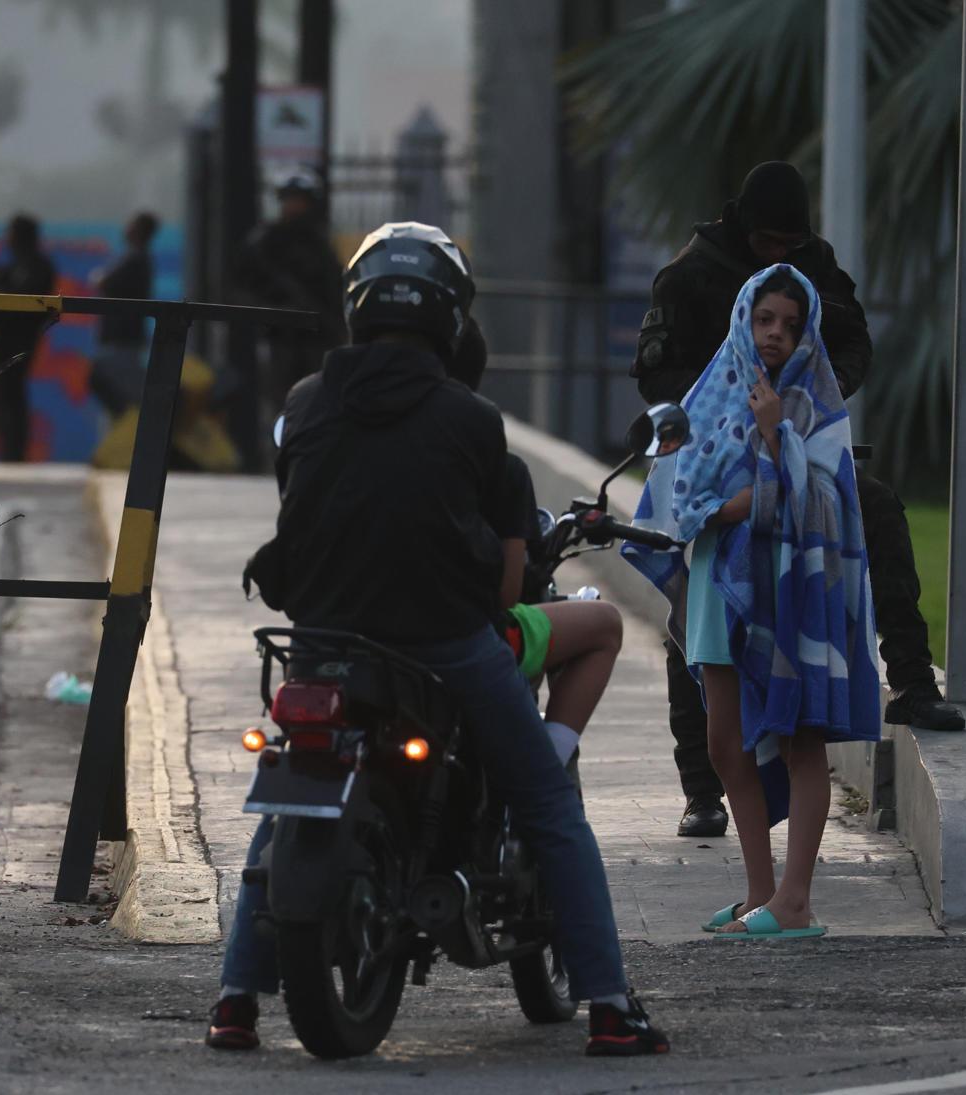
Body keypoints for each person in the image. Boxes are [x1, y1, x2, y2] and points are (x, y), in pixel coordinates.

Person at [211, 222, 668, 1057]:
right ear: (451, 319)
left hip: (319, 643)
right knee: (548, 802)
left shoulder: (304, 402)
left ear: (354, 307)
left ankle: (235, 997)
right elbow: (501, 587)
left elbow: (300, 514)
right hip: (443, 647)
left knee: (285, 804)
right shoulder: (471, 420)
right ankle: (607, 1003)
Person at [633, 160, 964, 841]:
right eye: (769, 246)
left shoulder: (811, 262)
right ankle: (702, 790)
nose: (781, 257)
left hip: (800, 449)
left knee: (876, 513)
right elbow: (657, 373)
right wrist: (728, 399)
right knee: (696, 621)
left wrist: (816, 394)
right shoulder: (689, 275)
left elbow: (852, 338)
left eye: (790, 244)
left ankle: (909, 678)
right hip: (715, 459)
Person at [623, 265, 882, 938]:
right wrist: (713, 508)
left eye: (789, 325)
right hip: (716, 581)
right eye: (765, 319)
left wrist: (771, 438)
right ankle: (759, 893)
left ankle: (795, 901)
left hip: (789, 586)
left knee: (798, 737)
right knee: (724, 740)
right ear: (744, 318)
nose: (774, 334)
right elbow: (676, 492)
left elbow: (825, 499)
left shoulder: (813, 400)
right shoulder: (712, 388)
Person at [448, 317, 625, 765]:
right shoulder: (497, 464)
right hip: (466, 640)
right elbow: (507, 593)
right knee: (604, 622)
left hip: (352, 632)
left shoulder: (332, 426)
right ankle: (548, 765)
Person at [233, 166, 348, 418]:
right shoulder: (264, 242)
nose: (295, 207)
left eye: (300, 201)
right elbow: (241, 288)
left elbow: (333, 289)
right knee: (283, 407)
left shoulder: (319, 243)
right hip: (280, 338)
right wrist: (274, 311)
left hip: (317, 338)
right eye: (290, 200)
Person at [0, 213, 57, 462]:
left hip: (22, 339)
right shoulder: (8, 266)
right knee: (4, 394)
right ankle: (7, 450)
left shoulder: (38, 266)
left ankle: (14, 451)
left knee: (12, 393)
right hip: (2, 340)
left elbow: (30, 301)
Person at [87, 210, 160, 416]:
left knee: (121, 393)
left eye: (132, 225)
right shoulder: (137, 257)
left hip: (122, 339)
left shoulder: (135, 258)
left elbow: (103, 281)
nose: (126, 228)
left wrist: (99, 278)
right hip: (123, 339)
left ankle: (131, 436)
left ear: (139, 230)